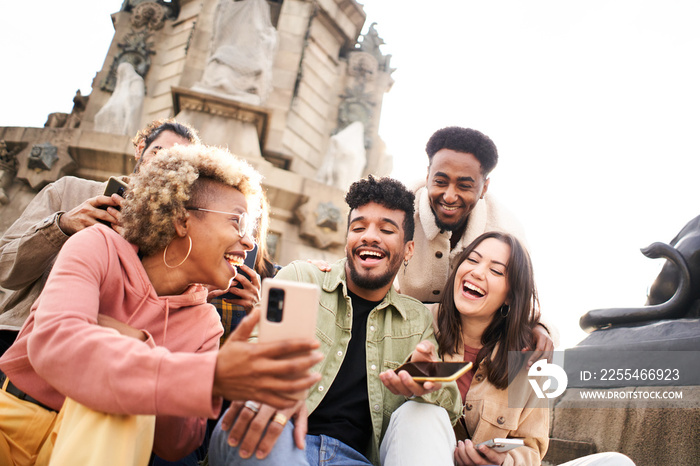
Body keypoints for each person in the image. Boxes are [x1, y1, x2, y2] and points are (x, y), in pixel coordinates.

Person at [0, 144, 322, 465]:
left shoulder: (207, 324)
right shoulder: (97, 245)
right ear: (182, 220)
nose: (250, 242)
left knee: (122, 399)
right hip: (14, 423)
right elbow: (55, 345)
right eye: (237, 223)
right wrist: (200, 375)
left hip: (101, 444)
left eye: (250, 228)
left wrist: (144, 347)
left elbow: (178, 444)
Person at [208, 175, 462, 466]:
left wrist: (426, 384)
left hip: (354, 458)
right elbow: (252, 353)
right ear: (346, 241)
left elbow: (450, 407)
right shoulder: (302, 278)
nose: (369, 236)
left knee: (425, 411)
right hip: (277, 434)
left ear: (408, 250)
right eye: (358, 227)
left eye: (386, 229)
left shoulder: (416, 320)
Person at [389, 231, 634, 466]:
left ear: (510, 296)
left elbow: (531, 448)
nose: (477, 272)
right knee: (419, 413)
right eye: (472, 260)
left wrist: (502, 459)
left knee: (616, 462)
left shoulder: (528, 357)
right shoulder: (416, 320)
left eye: (496, 271)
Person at [0, 118, 201, 354]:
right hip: (18, 337)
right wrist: (62, 226)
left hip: (95, 359)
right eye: (158, 151)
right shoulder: (68, 190)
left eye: (175, 161)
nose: (163, 164)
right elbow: (5, 269)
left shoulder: (174, 235)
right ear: (140, 149)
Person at [398, 126, 557, 360]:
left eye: (464, 186)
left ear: (484, 188)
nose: (450, 196)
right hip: (402, 331)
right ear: (428, 175)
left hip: (473, 346)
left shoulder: (506, 232)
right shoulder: (398, 211)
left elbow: (522, 294)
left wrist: (540, 327)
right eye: (440, 181)